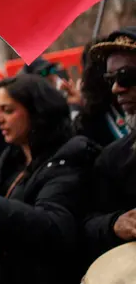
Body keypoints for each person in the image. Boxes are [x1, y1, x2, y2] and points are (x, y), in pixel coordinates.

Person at [0, 75, 99, 284]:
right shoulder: (12, 158)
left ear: (37, 112)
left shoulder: (68, 158)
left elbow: (53, 227)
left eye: (8, 110)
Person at [83, 28, 136, 264]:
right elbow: (88, 225)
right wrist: (115, 223)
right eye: (110, 80)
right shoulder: (113, 158)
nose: (116, 89)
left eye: (124, 76)